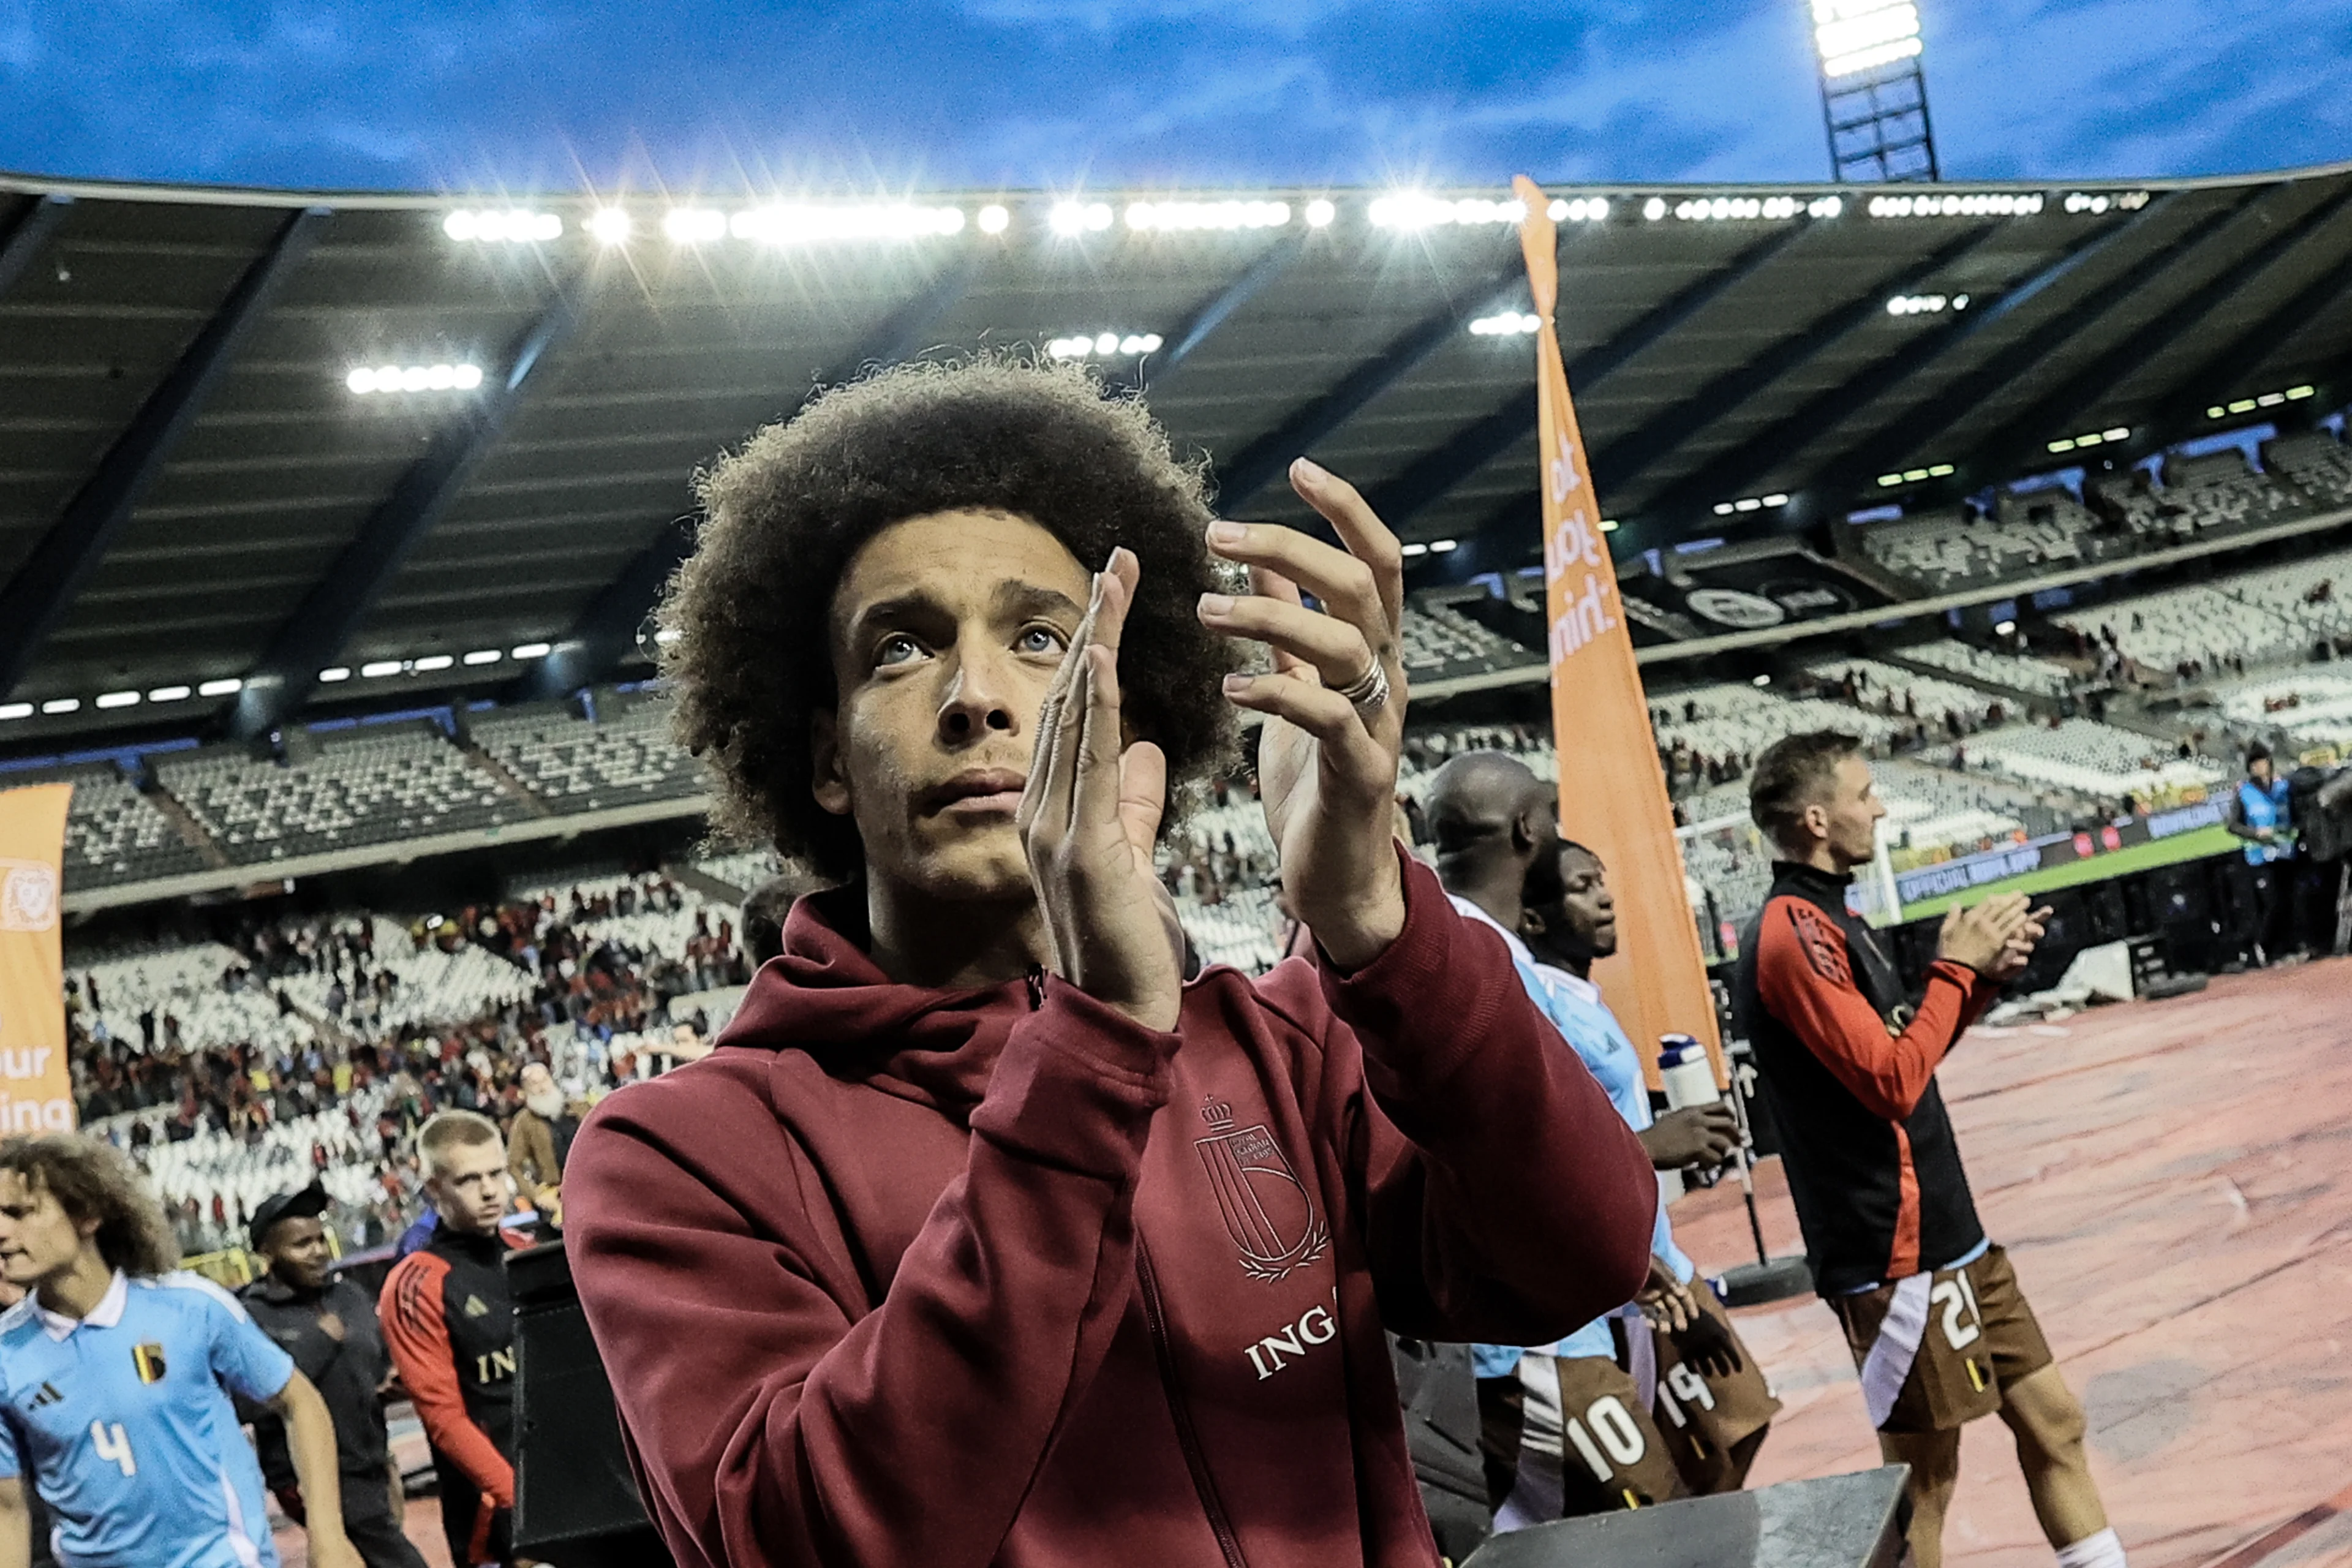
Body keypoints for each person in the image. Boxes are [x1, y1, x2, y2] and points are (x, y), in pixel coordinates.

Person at [562, 358, 1658, 1567]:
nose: (978, 695)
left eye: (1040, 635)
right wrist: (1096, 1042)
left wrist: (1378, 919)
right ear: (826, 757)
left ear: (1131, 717)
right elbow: (809, 1538)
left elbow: (1584, 1251)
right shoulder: (675, 1154)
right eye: (899, 649)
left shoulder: (1280, 1044)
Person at [1733, 731, 2122, 1568]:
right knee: (1922, 1491)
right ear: (1817, 818)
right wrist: (1955, 969)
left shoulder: (1831, 916)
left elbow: (1905, 1047)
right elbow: (1890, 1083)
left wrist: (1980, 981)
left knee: (2056, 1421)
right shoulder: (1790, 931)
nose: (1879, 806)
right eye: (1864, 793)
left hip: (1951, 1232)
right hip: (1892, 1248)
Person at [1422, 755, 1773, 1527]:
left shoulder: (1482, 952)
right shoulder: (1485, 963)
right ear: (1528, 829)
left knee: (1703, 1465)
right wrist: (1647, 1156)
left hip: (1584, 1298)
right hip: (1533, 1330)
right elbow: (1512, 1154)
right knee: (1634, 1522)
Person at [0, 1134, 361, 1568]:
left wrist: (328, 1537)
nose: (1, 1231)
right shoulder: (5, 1355)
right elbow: (9, 1509)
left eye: (20, 1212)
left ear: (86, 1214)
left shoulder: (190, 1307)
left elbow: (299, 1401)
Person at [241, 1184, 429, 1568]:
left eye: (320, 1239)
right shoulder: (249, 1317)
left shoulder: (350, 1297)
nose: (318, 1251)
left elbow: (378, 1365)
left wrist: (390, 1382)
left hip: (374, 1463)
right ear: (267, 1252)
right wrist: (318, 1342)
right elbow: (250, 1403)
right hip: (311, 1480)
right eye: (301, 1244)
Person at [379, 1112, 522, 1568]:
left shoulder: (529, 1252)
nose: (489, 1190)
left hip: (573, 1488)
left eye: (497, 1173)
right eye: (468, 1179)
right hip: (496, 1518)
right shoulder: (415, 1284)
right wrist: (519, 1498)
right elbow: (445, 1420)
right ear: (433, 1188)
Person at [2223, 742, 2295, 965]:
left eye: (2262, 762)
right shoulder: (2244, 792)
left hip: (2285, 851)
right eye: (2254, 764)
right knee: (2271, 903)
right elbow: (2232, 825)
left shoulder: (2283, 785)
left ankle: (2283, 949)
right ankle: (2262, 945)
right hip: (2259, 856)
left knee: (2287, 902)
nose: (2259, 767)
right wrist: (2255, 833)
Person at [505, 1063, 580, 1224]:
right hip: (556, 1196)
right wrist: (535, 1196)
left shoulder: (576, 1108)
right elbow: (513, 1164)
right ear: (526, 1089)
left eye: (544, 1080)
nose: (542, 1087)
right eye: (534, 1083)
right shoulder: (524, 1122)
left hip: (589, 1185)